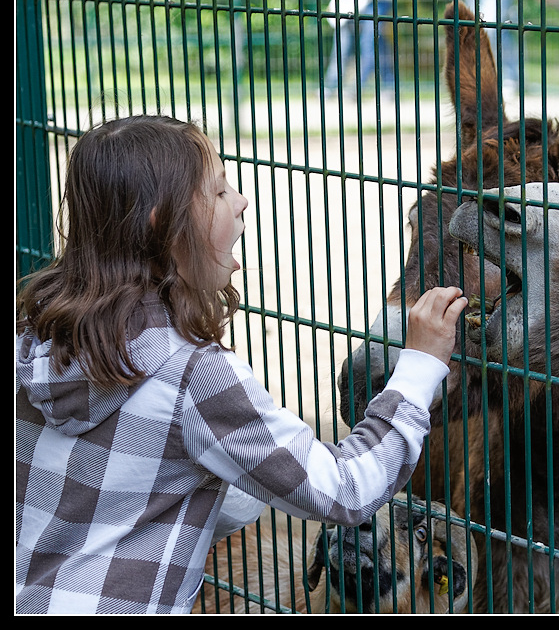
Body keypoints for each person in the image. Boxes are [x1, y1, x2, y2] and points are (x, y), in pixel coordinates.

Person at [14, 115, 468, 614]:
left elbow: (107, 485)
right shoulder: (193, 377)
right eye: (219, 189)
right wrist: (420, 366)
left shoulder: (35, 334)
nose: (241, 199)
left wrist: (221, 486)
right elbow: (346, 490)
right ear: (163, 223)